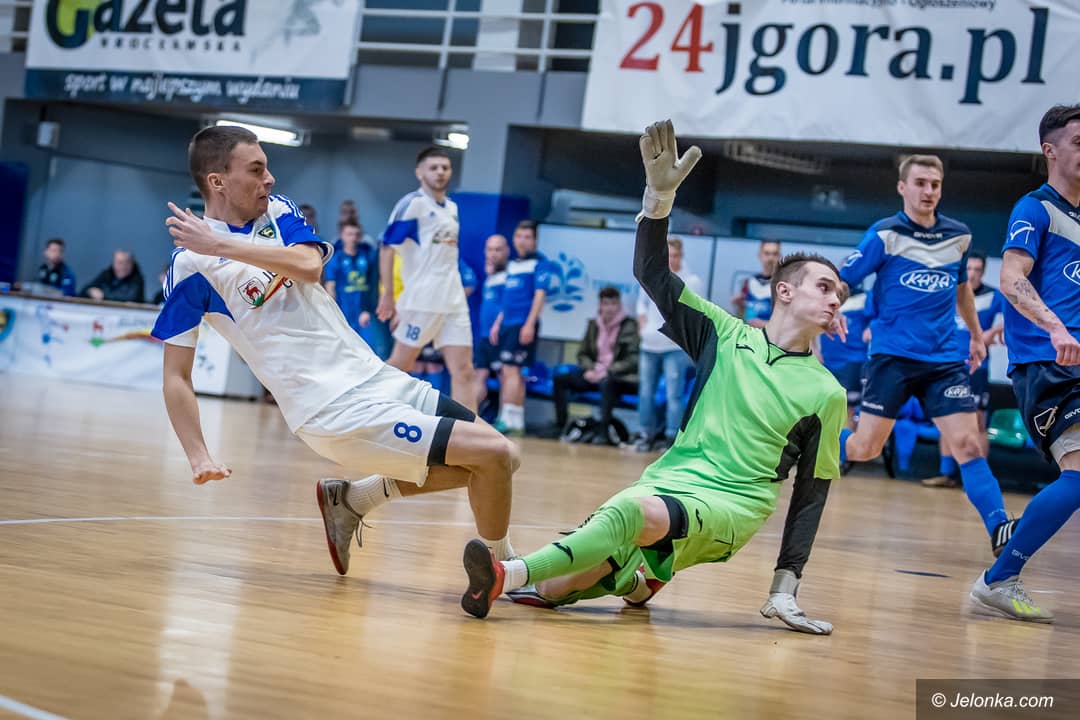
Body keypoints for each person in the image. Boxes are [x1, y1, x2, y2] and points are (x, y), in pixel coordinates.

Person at [460, 121, 846, 636]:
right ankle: (641, 580)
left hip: (731, 505)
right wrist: (658, 201)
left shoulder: (826, 392)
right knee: (554, 591)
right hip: (669, 479)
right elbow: (652, 275)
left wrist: (784, 588)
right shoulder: (723, 334)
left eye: (839, 293)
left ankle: (506, 572)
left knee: (627, 514)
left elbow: (810, 496)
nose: (836, 298)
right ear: (785, 292)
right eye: (825, 287)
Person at [152, 126, 520, 580]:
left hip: (373, 375)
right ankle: (507, 573)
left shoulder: (278, 210)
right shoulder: (190, 266)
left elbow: (309, 265)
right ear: (217, 181)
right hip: (329, 407)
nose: (269, 179)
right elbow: (176, 375)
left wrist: (221, 244)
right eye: (257, 169)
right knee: (492, 455)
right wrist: (198, 455)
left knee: (506, 456)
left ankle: (353, 499)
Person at [837, 153, 1014, 556]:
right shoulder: (884, 234)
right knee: (865, 449)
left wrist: (975, 336)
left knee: (968, 444)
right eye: (920, 183)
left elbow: (962, 288)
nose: (928, 191)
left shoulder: (959, 236)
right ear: (902, 187)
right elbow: (845, 280)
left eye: (935, 184)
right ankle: (815, 439)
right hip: (892, 357)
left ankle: (1000, 528)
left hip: (944, 361)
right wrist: (830, 310)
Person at [969, 104, 1080, 623]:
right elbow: (1012, 278)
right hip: (1049, 364)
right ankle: (1000, 577)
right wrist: (1056, 328)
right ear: (1050, 150)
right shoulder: (1035, 209)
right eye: (1079, 142)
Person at [377, 147, 475, 409]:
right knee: (401, 365)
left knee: (464, 370)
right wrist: (388, 294)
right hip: (421, 299)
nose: (440, 172)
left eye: (445, 167)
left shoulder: (452, 207)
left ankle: (470, 430)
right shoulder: (413, 204)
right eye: (434, 167)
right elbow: (386, 248)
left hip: (454, 300)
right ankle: (364, 411)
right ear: (419, 172)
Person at [923, 250, 1006, 488]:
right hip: (947, 366)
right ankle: (946, 474)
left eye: (977, 270)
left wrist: (990, 333)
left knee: (978, 423)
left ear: (983, 271)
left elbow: (1011, 321)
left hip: (976, 369)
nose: (972, 274)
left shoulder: (994, 296)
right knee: (946, 420)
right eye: (968, 269)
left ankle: (980, 479)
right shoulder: (950, 292)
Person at [632, 236, 703, 452]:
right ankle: (645, 434)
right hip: (649, 344)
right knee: (646, 392)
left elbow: (696, 313)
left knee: (674, 395)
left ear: (681, 256)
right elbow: (641, 305)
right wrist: (643, 326)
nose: (672, 259)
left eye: (676, 255)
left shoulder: (692, 281)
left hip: (674, 347)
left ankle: (671, 437)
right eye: (669, 255)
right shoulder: (652, 277)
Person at [489, 221, 556, 436]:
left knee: (511, 371)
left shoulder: (540, 263)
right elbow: (507, 300)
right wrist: (498, 323)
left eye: (527, 237)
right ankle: (516, 421)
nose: (522, 241)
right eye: (519, 236)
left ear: (535, 240)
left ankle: (506, 418)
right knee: (511, 371)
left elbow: (539, 296)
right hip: (507, 324)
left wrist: (529, 324)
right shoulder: (512, 265)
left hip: (522, 324)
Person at [552, 286, 639, 444]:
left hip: (617, 377)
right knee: (560, 379)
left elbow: (632, 360)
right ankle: (561, 426)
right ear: (600, 305)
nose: (609, 308)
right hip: (594, 372)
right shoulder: (593, 325)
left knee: (608, 384)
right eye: (606, 303)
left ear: (619, 305)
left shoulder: (630, 326)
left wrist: (608, 371)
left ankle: (603, 432)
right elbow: (582, 354)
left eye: (613, 304)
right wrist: (590, 369)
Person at [323, 219, 390, 359]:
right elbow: (330, 286)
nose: (353, 238)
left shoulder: (368, 256)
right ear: (341, 235)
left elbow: (375, 282)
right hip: (344, 310)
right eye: (349, 234)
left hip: (365, 310)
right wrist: (333, 312)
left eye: (356, 234)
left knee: (369, 350)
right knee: (345, 350)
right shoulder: (336, 258)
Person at [819, 284, 873, 430]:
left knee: (848, 410)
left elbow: (876, 321)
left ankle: (849, 444)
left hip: (852, 363)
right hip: (827, 363)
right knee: (828, 410)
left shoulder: (865, 298)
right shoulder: (824, 300)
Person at [473, 234, 510, 410]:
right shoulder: (490, 276)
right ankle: (470, 415)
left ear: (506, 251)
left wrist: (498, 325)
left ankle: (505, 418)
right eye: (489, 249)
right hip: (484, 336)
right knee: (478, 375)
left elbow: (510, 305)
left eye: (497, 249)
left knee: (505, 377)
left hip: (500, 337)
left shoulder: (510, 275)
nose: (493, 253)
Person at [732, 240, 781, 328]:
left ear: (779, 256)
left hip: (772, 335)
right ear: (760, 255)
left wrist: (765, 325)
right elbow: (741, 316)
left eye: (775, 254)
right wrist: (739, 306)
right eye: (767, 253)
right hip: (750, 333)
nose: (770, 258)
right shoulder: (748, 283)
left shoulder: (784, 287)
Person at [81, 249, 145, 303]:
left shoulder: (137, 279)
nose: (123, 267)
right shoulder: (107, 274)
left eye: (127, 263)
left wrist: (103, 296)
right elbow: (83, 291)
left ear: (132, 264)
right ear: (113, 263)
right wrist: (90, 291)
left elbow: (130, 298)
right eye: (120, 263)